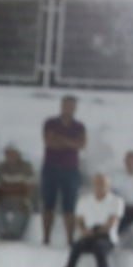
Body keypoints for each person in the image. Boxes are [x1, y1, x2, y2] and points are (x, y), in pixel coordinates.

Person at [40, 95, 86, 246]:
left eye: (71, 106)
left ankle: (70, 240)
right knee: (48, 205)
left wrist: (60, 139)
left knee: (70, 206)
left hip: (70, 170)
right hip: (50, 168)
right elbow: (49, 143)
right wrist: (70, 143)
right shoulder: (50, 122)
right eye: (66, 105)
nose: (68, 108)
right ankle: (46, 238)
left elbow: (81, 145)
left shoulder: (79, 126)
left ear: (75, 108)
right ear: (61, 106)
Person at [64, 173, 123, 267]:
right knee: (76, 246)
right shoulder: (84, 200)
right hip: (88, 235)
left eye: (103, 184)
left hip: (106, 237)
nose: (99, 186)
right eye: (97, 184)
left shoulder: (116, 201)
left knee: (99, 247)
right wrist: (84, 230)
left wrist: (95, 231)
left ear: (108, 186)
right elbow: (79, 220)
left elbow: (111, 223)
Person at [0, 144, 37, 241]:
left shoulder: (26, 167)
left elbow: (30, 187)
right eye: (8, 154)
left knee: (24, 207)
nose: (10, 156)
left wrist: (9, 189)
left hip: (21, 198)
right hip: (4, 199)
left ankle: (13, 233)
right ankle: (2, 231)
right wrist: (18, 188)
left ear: (18, 154)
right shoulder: (1, 167)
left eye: (13, 153)